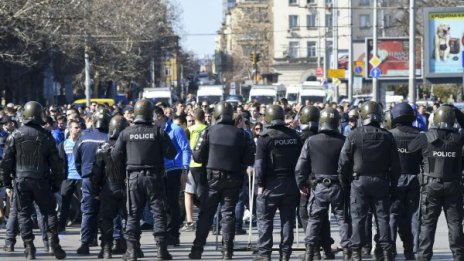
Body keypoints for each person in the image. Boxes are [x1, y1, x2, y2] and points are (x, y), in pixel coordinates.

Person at [0, 101, 66, 259]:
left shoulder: (14, 135)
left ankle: (29, 248)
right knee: (49, 212)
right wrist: (56, 184)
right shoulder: (46, 135)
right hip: (41, 180)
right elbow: (56, 164)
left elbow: (6, 162)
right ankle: (54, 243)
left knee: (23, 214)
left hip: (21, 180)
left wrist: (7, 182)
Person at [112, 99, 176, 261]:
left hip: (133, 178)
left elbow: (115, 155)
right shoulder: (158, 132)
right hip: (154, 177)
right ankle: (161, 251)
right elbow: (171, 153)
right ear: (150, 114)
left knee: (133, 214)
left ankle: (132, 251)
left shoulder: (126, 132)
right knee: (158, 213)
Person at [188, 101, 254, 260]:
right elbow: (249, 157)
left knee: (206, 214)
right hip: (233, 179)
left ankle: (197, 250)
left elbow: (197, 155)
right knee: (228, 214)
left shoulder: (209, 131)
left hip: (212, 179)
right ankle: (227, 251)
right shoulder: (241, 134)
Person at [338, 101, 401, 261]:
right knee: (382, 218)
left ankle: (357, 253)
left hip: (359, 182)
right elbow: (396, 165)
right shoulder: (387, 136)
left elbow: (344, 161)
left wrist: (345, 182)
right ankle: (387, 253)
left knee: (358, 218)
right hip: (381, 180)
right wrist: (393, 186)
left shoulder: (353, 134)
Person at [408, 105, 464, 261]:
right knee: (455, 223)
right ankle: (459, 256)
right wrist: (453, 109)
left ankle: (424, 257)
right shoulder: (458, 138)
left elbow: (410, 149)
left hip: (430, 185)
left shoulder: (425, 137)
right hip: (453, 185)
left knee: (427, 224)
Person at [296, 107, 351, 261]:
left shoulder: (311, 141)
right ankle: (347, 252)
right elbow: (348, 164)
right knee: (343, 220)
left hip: (319, 186)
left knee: (314, 220)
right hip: (338, 186)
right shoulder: (343, 140)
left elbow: (300, 166)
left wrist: (302, 184)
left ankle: (310, 252)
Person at [252, 105, 303, 261]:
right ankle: (285, 254)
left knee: (265, 220)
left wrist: (260, 184)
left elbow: (259, 165)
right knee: (287, 220)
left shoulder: (265, 138)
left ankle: (265, 253)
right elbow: (301, 162)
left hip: (270, 185)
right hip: (291, 184)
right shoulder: (295, 136)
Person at [74, 107, 111, 255]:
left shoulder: (84, 137)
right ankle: (108, 244)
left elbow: (77, 160)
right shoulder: (111, 136)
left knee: (88, 212)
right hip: (107, 180)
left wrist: (84, 174)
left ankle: (85, 243)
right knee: (109, 213)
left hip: (88, 178)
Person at [91, 115, 129, 259]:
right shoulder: (129, 146)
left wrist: (95, 190)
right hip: (126, 187)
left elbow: (96, 172)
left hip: (109, 188)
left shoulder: (102, 147)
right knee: (130, 219)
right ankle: (133, 248)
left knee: (106, 219)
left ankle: (106, 249)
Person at [153, 106, 192, 246]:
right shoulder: (156, 131)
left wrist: (184, 169)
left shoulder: (175, 130)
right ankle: (165, 232)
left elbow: (186, 149)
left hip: (174, 170)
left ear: (159, 116)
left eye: (153, 118)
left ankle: (173, 235)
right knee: (162, 204)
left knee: (172, 203)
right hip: (160, 170)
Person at [388, 103, 422, 260]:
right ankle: (414, 250)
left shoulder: (390, 135)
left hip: (395, 180)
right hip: (415, 178)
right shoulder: (420, 135)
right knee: (414, 215)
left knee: (393, 215)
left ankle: (390, 249)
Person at [183, 108, 208, 232]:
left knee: (188, 193)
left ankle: (189, 221)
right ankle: (205, 219)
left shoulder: (189, 130)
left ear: (194, 118)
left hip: (191, 164)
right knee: (204, 193)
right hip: (204, 164)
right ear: (204, 118)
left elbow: (185, 146)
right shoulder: (207, 129)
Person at [58, 119, 82, 232]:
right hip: (67, 178)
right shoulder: (63, 144)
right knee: (64, 203)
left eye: (79, 127)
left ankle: (87, 227)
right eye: (76, 127)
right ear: (70, 129)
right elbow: (60, 161)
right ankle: (61, 226)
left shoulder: (82, 143)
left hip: (80, 178)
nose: (78, 129)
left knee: (85, 204)